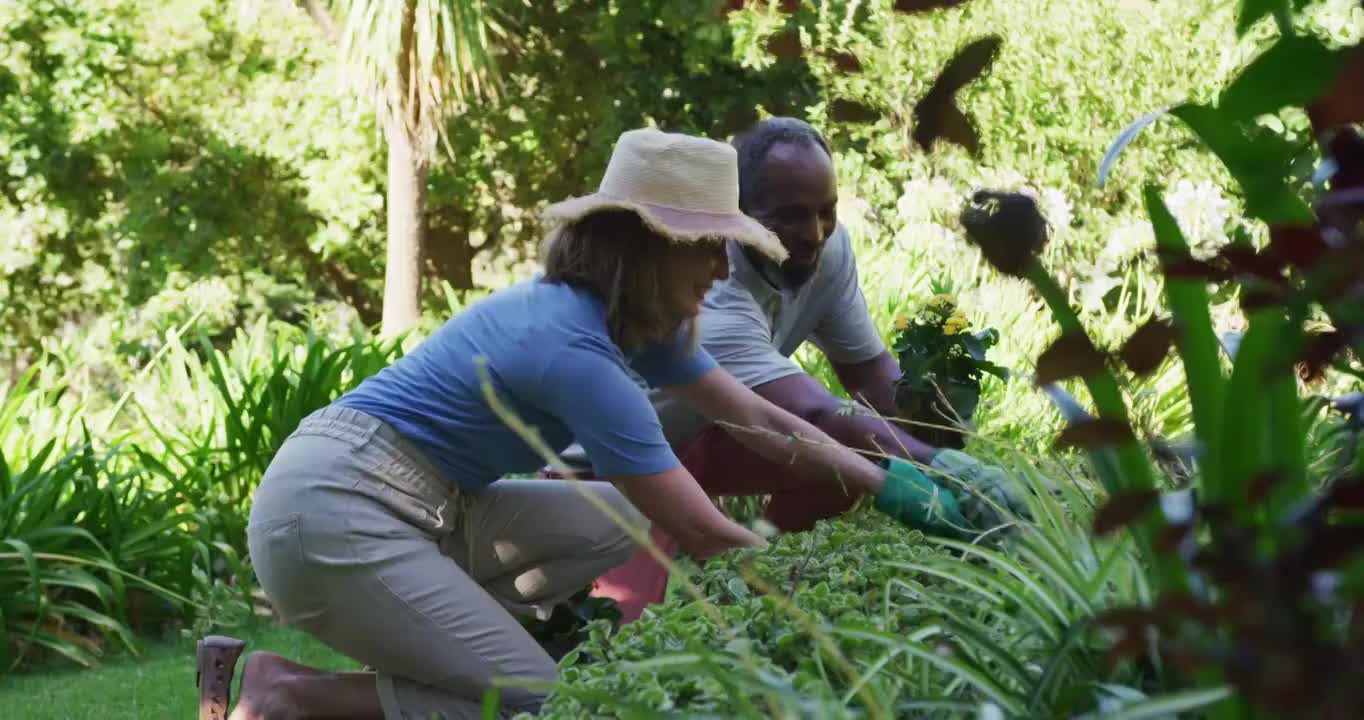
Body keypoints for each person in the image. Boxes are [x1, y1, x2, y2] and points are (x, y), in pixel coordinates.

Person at [199, 127, 970, 720]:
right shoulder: (573, 349)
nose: (719, 272)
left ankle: (440, 641)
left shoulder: (641, 325)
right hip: (332, 513)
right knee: (551, 701)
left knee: (620, 522)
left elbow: (757, 416)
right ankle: (291, 694)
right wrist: (840, 613)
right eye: (709, 251)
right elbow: (704, 533)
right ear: (648, 250)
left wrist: (892, 480)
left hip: (430, 503)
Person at [588, 117, 1029, 623]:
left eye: (827, 212)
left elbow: (866, 374)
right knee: (621, 623)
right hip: (615, 462)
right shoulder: (712, 294)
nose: (814, 233)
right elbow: (813, 415)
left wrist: (932, 422)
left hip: (716, 430)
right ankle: (726, 570)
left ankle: (775, 572)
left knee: (848, 457)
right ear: (739, 213)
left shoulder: (825, 251)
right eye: (790, 217)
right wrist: (941, 468)